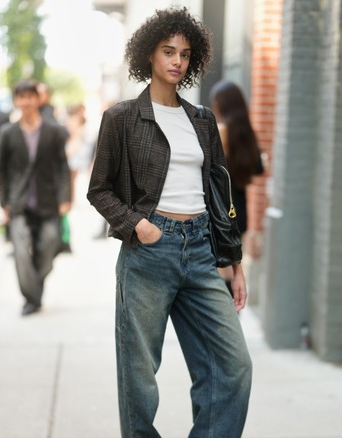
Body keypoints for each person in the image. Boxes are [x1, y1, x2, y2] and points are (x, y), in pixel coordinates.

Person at [86, 7, 252, 437]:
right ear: (149, 56)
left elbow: (220, 195)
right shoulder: (121, 118)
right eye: (167, 51)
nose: (176, 60)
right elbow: (99, 190)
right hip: (149, 251)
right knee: (139, 381)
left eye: (184, 53)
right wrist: (137, 225)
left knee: (233, 367)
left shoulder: (202, 120)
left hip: (201, 250)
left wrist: (234, 261)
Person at [0, 79, 71, 316]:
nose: (26, 102)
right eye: (21, 97)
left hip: (47, 200)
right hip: (18, 203)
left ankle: (33, 288)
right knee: (20, 251)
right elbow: (1, 170)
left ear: (38, 99)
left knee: (50, 243)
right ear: (17, 100)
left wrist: (65, 197)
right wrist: (4, 202)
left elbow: (62, 166)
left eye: (30, 97)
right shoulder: (7, 133)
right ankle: (31, 298)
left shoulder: (54, 131)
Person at [209, 80, 265, 287]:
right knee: (234, 267)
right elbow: (258, 169)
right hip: (239, 210)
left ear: (221, 104)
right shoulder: (248, 134)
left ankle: (225, 315)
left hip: (220, 208)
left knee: (220, 271)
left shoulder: (221, 131)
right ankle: (233, 313)